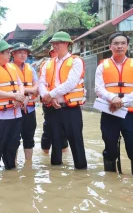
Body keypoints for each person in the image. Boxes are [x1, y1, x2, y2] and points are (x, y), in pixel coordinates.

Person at [95, 32, 133, 177]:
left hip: (131, 114)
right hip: (109, 113)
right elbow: (98, 88)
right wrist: (112, 98)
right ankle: (111, 183)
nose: (119, 46)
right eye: (116, 43)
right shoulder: (102, 66)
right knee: (110, 149)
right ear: (110, 46)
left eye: (122, 43)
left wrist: (121, 101)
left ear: (127, 46)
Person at [39, 31, 87, 169]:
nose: (55, 45)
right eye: (54, 43)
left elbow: (71, 83)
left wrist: (50, 94)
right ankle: (56, 175)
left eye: (59, 42)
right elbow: (42, 83)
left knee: (76, 140)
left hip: (70, 108)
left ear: (67, 44)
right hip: (52, 108)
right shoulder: (47, 63)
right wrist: (47, 97)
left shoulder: (76, 61)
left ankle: (81, 171)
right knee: (55, 141)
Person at [0, 40, 25, 171]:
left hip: (16, 115)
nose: (9, 55)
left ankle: (11, 173)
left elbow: (20, 84)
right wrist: (13, 96)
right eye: (7, 53)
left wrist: (20, 96)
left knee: (13, 146)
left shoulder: (12, 67)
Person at [10, 42, 38, 160]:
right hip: (13, 111)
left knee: (29, 137)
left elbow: (37, 88)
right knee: (13, 138)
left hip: (29, 109)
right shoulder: (8, 68)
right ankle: (13, 164)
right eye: (20, 52)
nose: (23, 55)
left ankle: (28, 165)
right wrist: (28, 91)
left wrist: (28, 96)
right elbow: (11, 89)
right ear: (13, 54)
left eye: (25, 53)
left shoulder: (30, 68)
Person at [40, 47, 69, 154]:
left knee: (64, 130)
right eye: (53, 52)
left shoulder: (69, 65)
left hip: (65, 102)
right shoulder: (46, 66)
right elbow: (42, 84)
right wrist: (51, 98)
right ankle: (45, 153)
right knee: (48, 129)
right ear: (50, 53)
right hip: (48, 102)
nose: (55, 53)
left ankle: (64, 153)